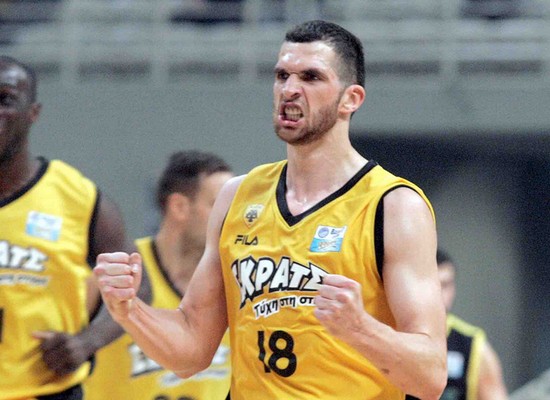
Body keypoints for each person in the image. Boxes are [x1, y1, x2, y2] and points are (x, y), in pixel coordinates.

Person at [93, 20, 447, 399]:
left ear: (351, 99)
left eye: (310, 77)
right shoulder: (237, 195)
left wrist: (360, 328)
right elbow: (191, 352)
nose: (289, 90)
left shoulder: (394, 206)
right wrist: (128, 309)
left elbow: (430, 378)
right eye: (282, 76)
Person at [0, 55, 149, 400]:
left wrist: (87, 342)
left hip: (46, 392)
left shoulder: (77, 198)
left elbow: (137, 286)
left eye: (5, 99)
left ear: (33, 113)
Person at [84, 150, 234, 400]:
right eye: (219, 206)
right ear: (179, 207)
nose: (232, 218)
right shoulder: (119, 274)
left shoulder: (240, 278)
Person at [407, 248, 508, 400]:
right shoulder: (392, 335)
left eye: (445, 285)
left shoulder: (474, 346)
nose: (439, 294)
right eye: (434, 284)